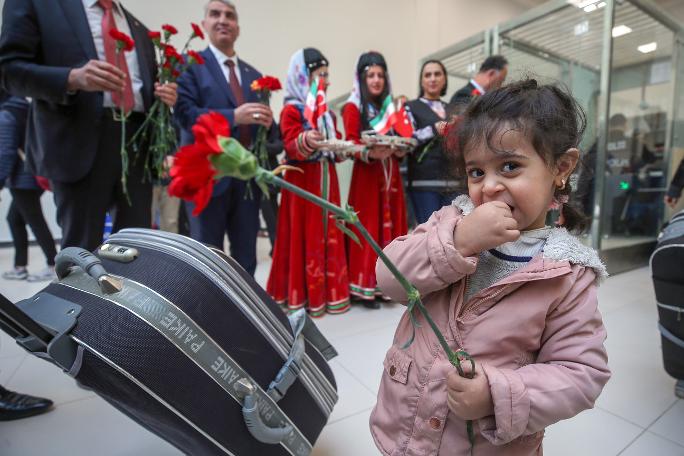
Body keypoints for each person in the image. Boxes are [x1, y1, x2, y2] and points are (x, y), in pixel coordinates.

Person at [371, 80, 610, 455]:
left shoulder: (568, 273)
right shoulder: (451, 221)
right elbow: (389, 278)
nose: (490, 187)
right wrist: (459, 241)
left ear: (561, 168)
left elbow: (581, 375)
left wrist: (497, 394)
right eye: (477, 172)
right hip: (405, 428)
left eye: (510, 167)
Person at [0, 0, 178, 252]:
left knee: (137, 250)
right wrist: (70, 78)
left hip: (137, 143)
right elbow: (9, 71)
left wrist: (163, 96)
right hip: (78, 140)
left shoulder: (136, 26)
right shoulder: (38, 5)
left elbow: (145, 88)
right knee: (81, 254)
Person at [175, 0, 274, 276]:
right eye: (215, 14)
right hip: (208, 177)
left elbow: (259, 124)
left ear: (237, 28)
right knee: (207, 259)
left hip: (246, 181)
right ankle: (208, 317)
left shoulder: (253, 76)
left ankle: (244, 315)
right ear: (205, 24)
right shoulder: (191, 66)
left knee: (246, 258)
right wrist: (233, 117)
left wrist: (266, 122)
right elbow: (185, 114)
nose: (223, 20)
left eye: (230, 15)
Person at [266, 48, 350, 317]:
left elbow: (334, 151)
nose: (326, 80)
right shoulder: (292, 110)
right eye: (320, 75)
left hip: (328, 181)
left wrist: (343, 149)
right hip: (304, 184)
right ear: (303, 77)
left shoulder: (328, 114)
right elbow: (291, 147)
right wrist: (306, 141)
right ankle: (305, 296)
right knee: (307, 234)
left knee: (331, 233)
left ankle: (330, 295)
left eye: (327, 75)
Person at [342, 51, 408, 308]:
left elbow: (400, 137)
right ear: (361, 78)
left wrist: (400, 149)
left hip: (390, 176)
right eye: (371, 75)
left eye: (380, 75)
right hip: (367, 178)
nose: (376, 80)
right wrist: (370, 152)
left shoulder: (388, 108)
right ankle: (364, 287)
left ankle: (388, 285)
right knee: (369, 226)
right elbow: (349, 144)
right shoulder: (353, 106)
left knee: (392, 229)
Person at [0, 93, 57, 282]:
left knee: (35, 221)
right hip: (34, 174)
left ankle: (53, 264)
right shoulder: (23, 107)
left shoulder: (6, 114)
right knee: (14, 219)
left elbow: (6, 152)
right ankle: (20, 267)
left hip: (22, 179)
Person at [406, 59, 462, 225]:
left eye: (437, 74)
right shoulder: (410, 107)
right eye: (427, 75)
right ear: (421, 81)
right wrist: (433, 129)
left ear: (444, 79)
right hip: (424, 183)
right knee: (429, 233)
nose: (433, 78)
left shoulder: (453, 108)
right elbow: (408, 139)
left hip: (453, 182)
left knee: (453, 232)